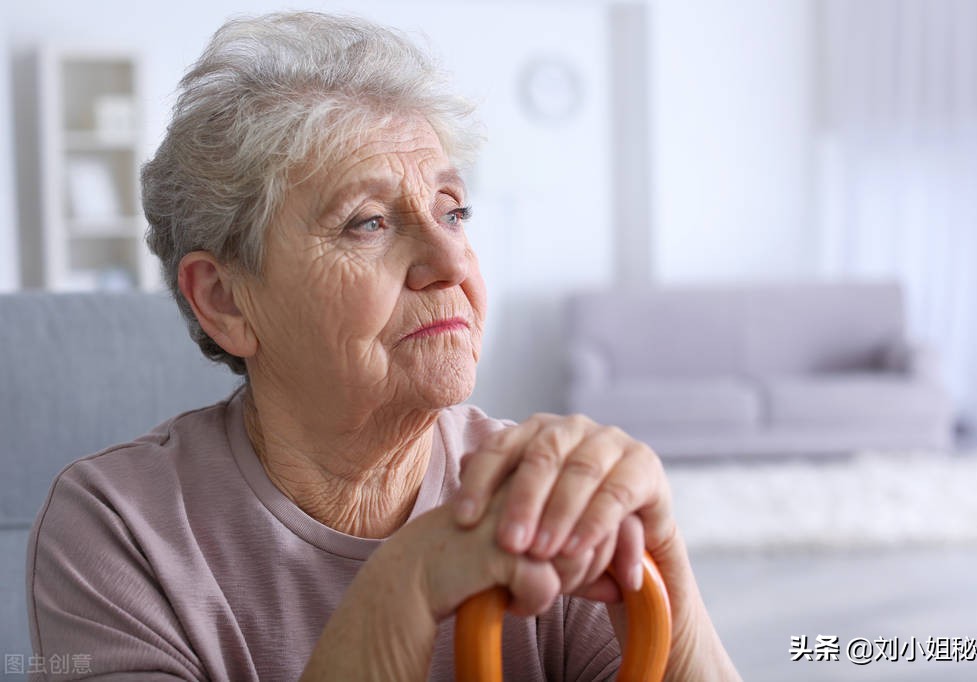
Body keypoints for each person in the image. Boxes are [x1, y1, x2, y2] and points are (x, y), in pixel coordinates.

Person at [27, 11, 740, 681]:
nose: (451, 262)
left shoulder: (534, 499)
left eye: (452, 211)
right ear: (224, 299)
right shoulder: (118, 527)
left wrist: (665, 568)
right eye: (367, 223)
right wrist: (401, 593)